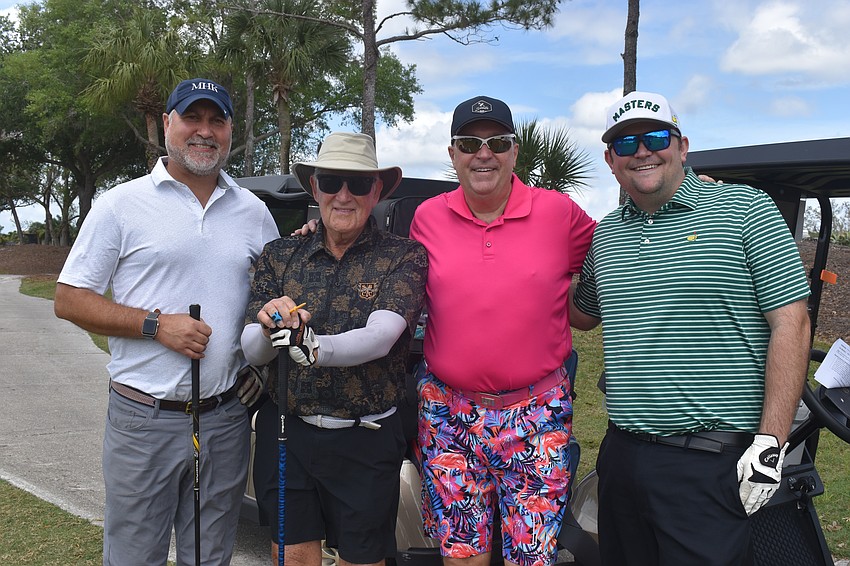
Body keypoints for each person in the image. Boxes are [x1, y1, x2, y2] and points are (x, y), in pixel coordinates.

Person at [570, 91, 812, 565]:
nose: (641, 151)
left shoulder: (746, 210)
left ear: (682, 146)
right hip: (621, 456)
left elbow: (793, 323)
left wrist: (771, 442)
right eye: (625, 144)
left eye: (656, 137)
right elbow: (583, 313)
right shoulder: (607, 234)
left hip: (711, 461)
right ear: (610, 160)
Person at [54, 78, 279, 565]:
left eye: (215, 120)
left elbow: (273, 300)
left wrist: (259, 370)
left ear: (230, 130)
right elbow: (69, 298)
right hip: (143, 420)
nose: (204, 132)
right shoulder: (120, 204)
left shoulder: (255, 213)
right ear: (166, 125)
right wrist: (156, 326)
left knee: (208, 557)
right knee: (135, 556)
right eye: (191, 119)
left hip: (224, 420)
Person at [410, 96, 596, 566]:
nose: (483, 153)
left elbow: (621, 240)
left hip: (537, 413)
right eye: (470, 143)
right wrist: (314, 230)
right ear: (453, 154)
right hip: (450, 415)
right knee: (462, 555)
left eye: (497, 142)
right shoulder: (426, 218)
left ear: (515, 152)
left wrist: (690, 200)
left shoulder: (559, 214)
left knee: (531, 558)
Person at [240, 131, 428, 566]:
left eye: (359, 184)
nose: (344, 195)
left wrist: (313, 346)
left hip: (366, 437)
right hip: (288, 431)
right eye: (332, 182)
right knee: (292, 556)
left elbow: (382, 334)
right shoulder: (280, 253)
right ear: (314, 187)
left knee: (362, 559)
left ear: (377, 190)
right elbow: (251, 348)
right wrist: (273, 328)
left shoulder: (403, 255)